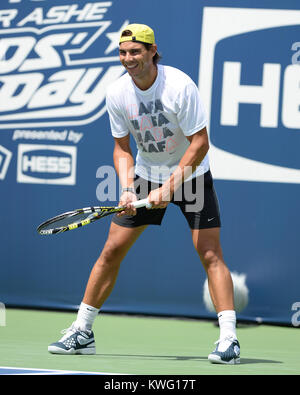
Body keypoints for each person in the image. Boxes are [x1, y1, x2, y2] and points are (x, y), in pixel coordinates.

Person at [48, 23, 240, 364]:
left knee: (209, 253)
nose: (128, 59)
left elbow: (200, 143)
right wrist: (126, 188)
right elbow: (122, 148)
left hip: (191, 173)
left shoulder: (179, 86)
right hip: (146, 176)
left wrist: (170, 187)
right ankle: (82, 330)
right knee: (111, 249)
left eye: (135, 52)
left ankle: (229, 340)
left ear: (153, 51)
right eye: (123, 53)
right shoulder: (117, 93)